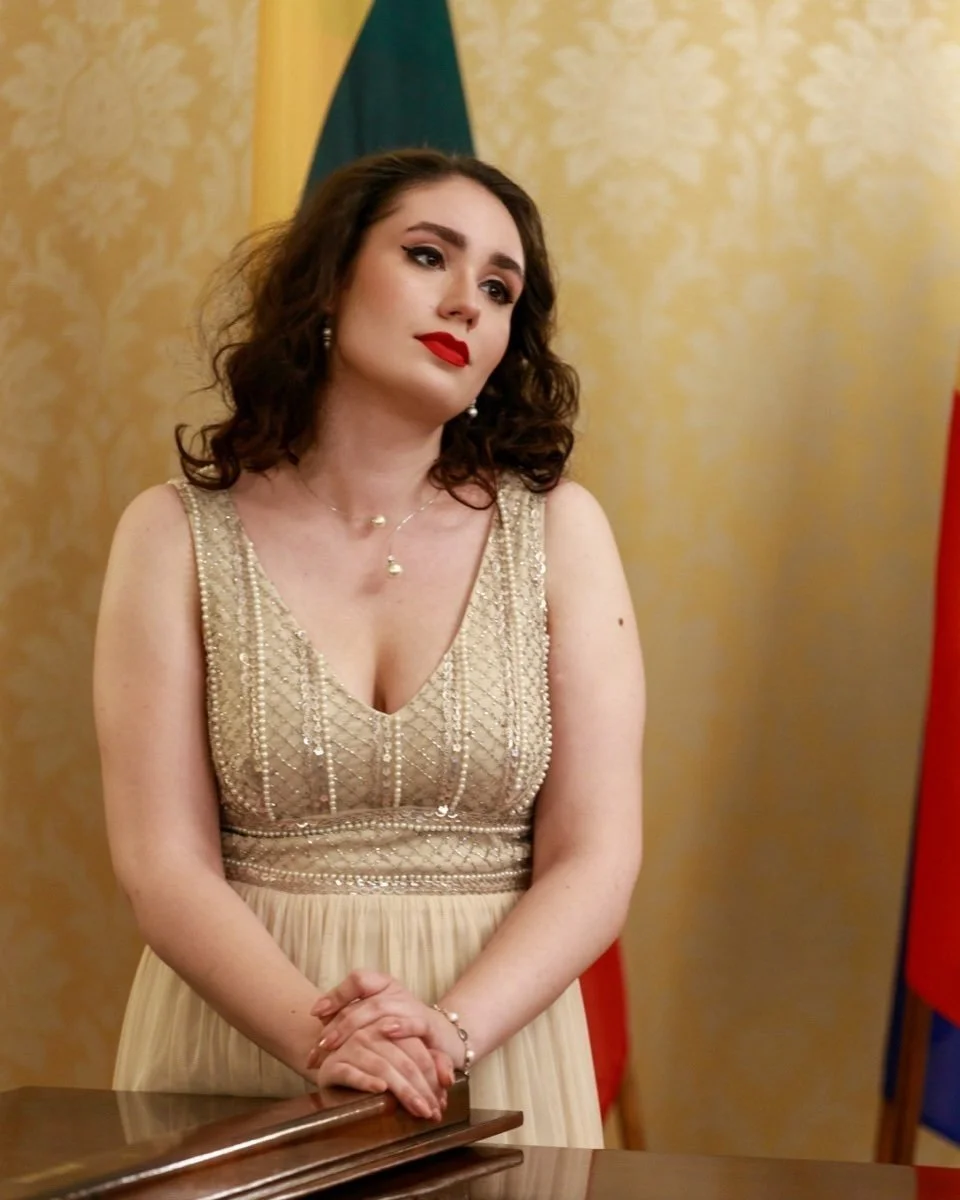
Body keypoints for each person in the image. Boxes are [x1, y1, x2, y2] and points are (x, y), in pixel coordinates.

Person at [94, 149, 644, 1149]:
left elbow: (595, 858)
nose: (467, 304)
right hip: (240, 1050)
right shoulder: (171, 532)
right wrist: (326, 1043)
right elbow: (162, 863)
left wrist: (442, 1036)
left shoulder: (563, 530)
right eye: (428, 255)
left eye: (498, 288)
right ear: (329, 283)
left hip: (495, 1051)